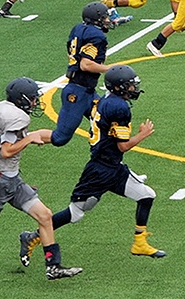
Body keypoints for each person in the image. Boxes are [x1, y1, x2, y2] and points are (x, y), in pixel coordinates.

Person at [46, 65, 166, 259]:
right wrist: (142, 135)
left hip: (112, 166)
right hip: (101, 169)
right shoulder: (119, 108)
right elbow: (123, 146)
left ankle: (140, 243)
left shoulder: (107, 101)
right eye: (130, 86)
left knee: (146, 195)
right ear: (119, 87)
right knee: (75, 213)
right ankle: (35, 236)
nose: (134, 89)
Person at [0, 78, 82, 280]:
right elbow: (6, 151)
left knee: (45, 216)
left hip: (13, 180)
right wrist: (28, 139)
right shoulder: (18, 118)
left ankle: (53, 266)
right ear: (21, 100)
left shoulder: (2, 107)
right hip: (0, 181)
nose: (35, 102)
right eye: (32, 99)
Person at [51, 1, 116, 147]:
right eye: (105, 17)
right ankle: (24, 139)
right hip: (77, 93)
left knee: (108, 124)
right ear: (96, 19)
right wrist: (109, 69)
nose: (107, 20)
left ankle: (113, 166)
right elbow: (85, 65)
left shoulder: (79, 29)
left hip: (87, 91)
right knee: (60, 138)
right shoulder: (96, 36)